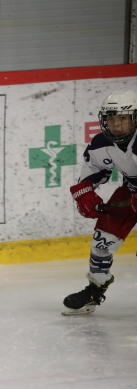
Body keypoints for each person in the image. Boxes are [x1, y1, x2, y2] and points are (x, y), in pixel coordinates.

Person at [63, 89, 137, 316]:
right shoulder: (101, 142)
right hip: (131, 193)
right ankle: (95, 290)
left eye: (122, 118)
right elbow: (93, 171)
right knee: (101, 243)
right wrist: (85, 194)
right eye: (111, 118)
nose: (116, 124)